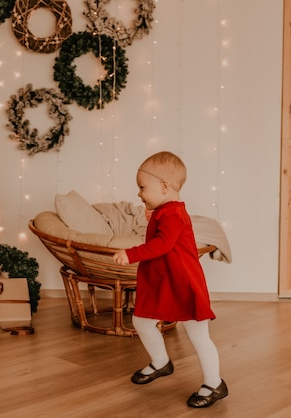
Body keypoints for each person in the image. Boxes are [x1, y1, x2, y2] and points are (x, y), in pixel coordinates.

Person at [112, 151, 227, 408]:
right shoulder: (164, 211)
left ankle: (214, 383)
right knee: (142, 321)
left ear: (164, 187)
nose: (139, 193)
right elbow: (160, 237)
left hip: (184, 284)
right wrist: (151, 219)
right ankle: (161, 362)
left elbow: (163, 244)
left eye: (142, 187)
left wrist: (130, 254)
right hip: (165, 283)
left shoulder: (174, 214)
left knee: (197, 335)